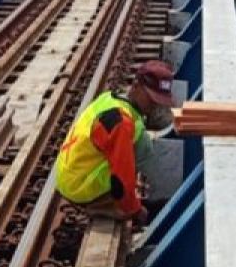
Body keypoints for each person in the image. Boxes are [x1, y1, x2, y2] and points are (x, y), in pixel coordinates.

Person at [55, 60, 176, 223]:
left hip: (70, 175)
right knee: (130, 207)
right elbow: (121, 181)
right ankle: (98, 205)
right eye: (151, 99)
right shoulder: (121, 123)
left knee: (141, 141)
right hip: (81, 186)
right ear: (136, 86)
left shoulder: (110, 99)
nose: (154, 106)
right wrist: (136, 210)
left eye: (159, 102)